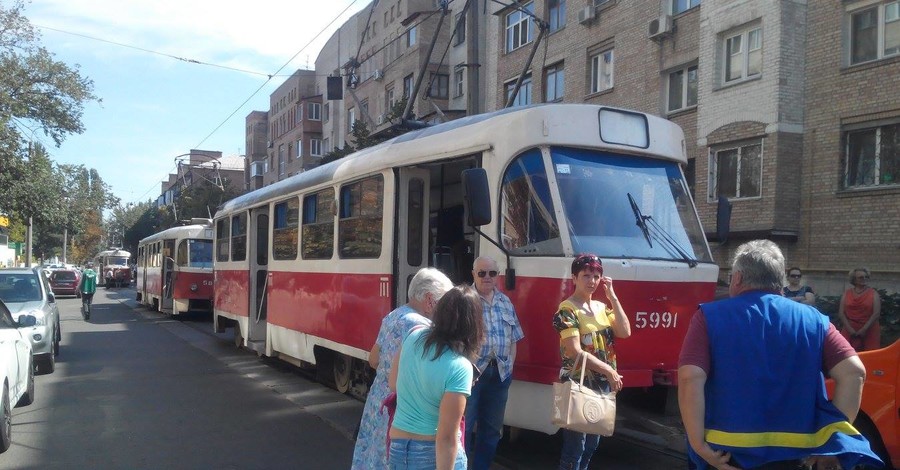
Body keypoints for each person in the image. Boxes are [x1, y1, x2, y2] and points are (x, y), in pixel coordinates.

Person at [678, 240, 882, 470]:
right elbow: (854, 372)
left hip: (726, 453)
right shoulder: (813, 320)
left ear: (737, 278)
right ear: (781, 283)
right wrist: (830, 443)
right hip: (795, 456)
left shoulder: (709, 316)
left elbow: (689, 377)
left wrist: (698, 445)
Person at [351, 268, 454, 470]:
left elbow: (373, 359)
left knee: (371, 456)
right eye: (443, 302)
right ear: (429, 299)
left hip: (378, 401)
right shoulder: (421, 327)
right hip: (399, 408)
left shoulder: (394, 315)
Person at [388, 285, 485, 470]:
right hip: (431, 453)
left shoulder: (413, 335)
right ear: (474, 323)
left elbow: (393, 384)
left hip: (398, 448)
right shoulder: (460, 367)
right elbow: (446, 438)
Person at [552, 254, 631, 470]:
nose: (592, 281)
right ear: (574, 278)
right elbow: (574, 351)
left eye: (596, 276)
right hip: (578, 383)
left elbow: (624, 331)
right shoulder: (567, 309)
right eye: (586, 275)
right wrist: (609, 370)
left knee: (592, 444)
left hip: (601, 384)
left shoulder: (600, 307)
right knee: (575, 446)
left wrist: (612, 297)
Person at [464, 256, 524, 470]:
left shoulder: (505, 302)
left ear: (497, 276)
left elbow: (514, 339)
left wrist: (509, 369)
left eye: (492, 273)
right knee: (463, 428)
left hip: (499, 376)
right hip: (470, 377)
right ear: (473, 274)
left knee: (491, 432)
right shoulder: (464, 301)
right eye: (482, 273)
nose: (487, 277)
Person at [837, 267, 882, 352]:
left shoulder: (873, 293)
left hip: (869, 329)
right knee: (845, 354)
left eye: (866, 277)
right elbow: (841, 313)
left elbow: (876, 314)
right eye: (861, 277)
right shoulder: (847, 293)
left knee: (870, 356)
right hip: (849, 328)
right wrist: (850, 329)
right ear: (854, 279)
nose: (864, 279)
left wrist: (864, 329)